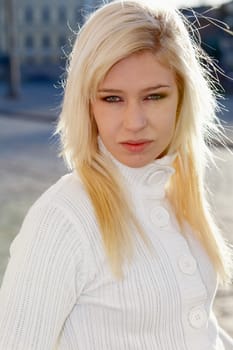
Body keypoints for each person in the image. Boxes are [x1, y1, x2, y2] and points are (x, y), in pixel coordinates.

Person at [0, 0, 232, 349]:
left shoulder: (179, 198)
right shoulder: (63, 219)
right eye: (112, 99)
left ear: (182, 98)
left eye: (154, 96)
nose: (135, 123)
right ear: (87, 104)